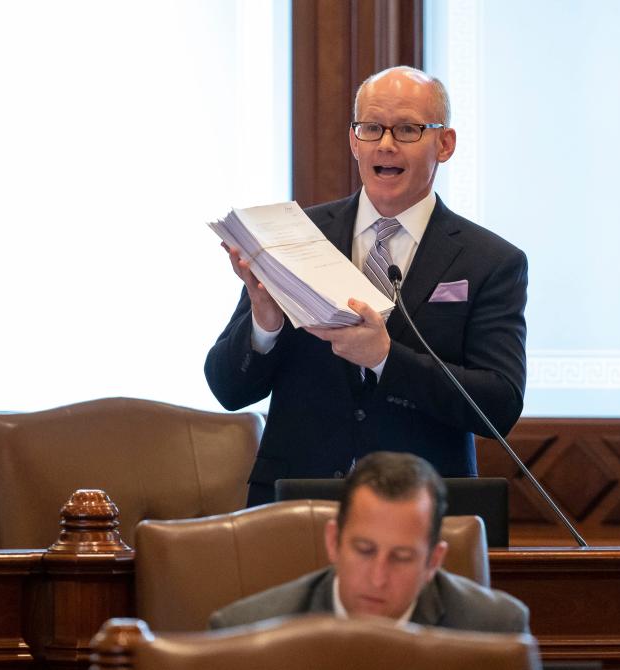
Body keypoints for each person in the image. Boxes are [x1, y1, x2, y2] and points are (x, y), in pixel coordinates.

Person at [205, 66, 528, 506]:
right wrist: (265, 324)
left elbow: (500, 405)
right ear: (354, 141)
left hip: (422, 511)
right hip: (294, 505)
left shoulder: (490, 261)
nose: (386, 144)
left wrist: (385, 358)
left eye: (408, 129)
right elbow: (229, 390)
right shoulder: (295, 236)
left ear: (445, 144)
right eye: (372, 128)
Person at [208, 452, 531, 634]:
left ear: (433, 561)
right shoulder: (250, 630)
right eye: (364, 550)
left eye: (402, 557)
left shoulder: (494, 627)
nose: (378, 578)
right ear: (334, 542)